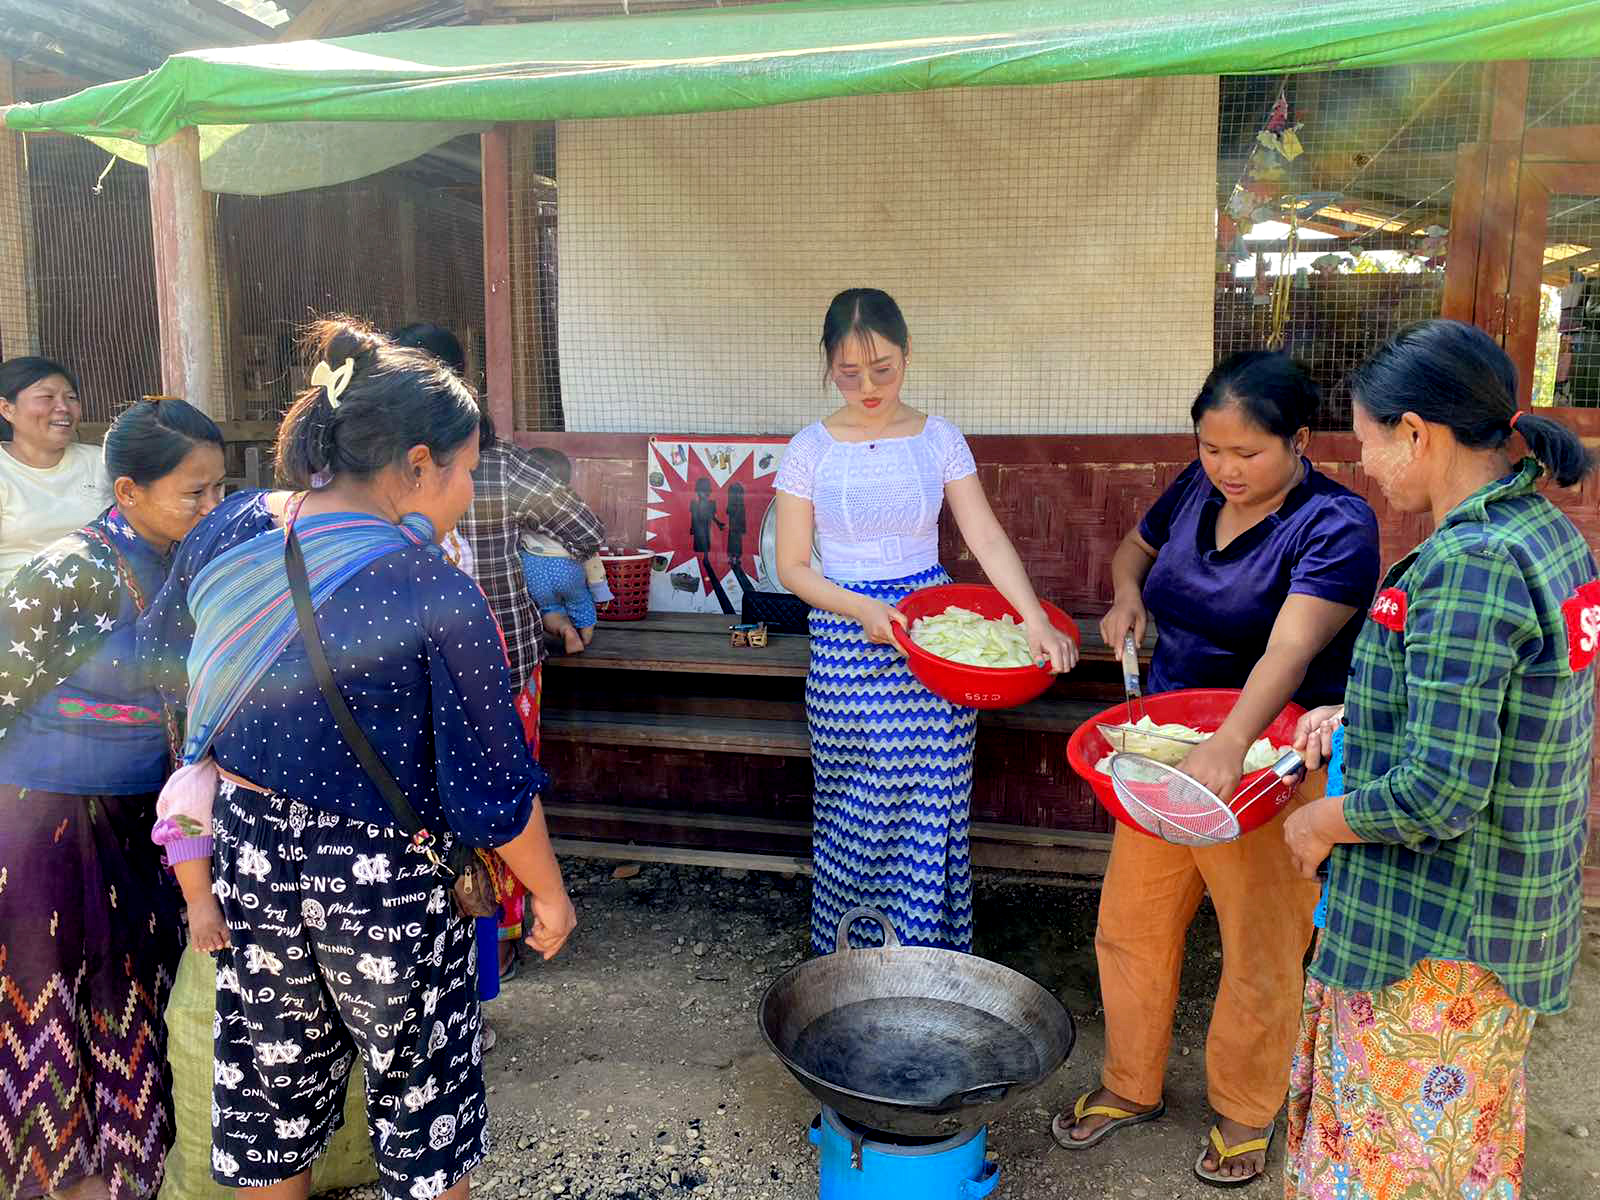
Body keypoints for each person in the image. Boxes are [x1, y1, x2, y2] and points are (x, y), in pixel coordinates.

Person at [143, 319, 577, 1200]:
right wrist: (551, 893)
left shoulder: (228, 528)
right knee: (423, 1110)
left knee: (271, 1105)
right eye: (464, 470)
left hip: (250, 857)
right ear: (417, 464)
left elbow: (161, 655)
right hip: (386, 879)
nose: (467, 491)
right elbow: (492, 791)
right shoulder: (434, 587)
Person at [1281, 319, 1598, 1200]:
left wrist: (1319, 822)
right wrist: (1365, 713)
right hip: (1507, 915)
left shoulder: (1474, 561)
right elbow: (1507, 708)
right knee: (1456, 1152)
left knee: (1396, 1166)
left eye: (1368, 442)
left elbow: (1443, 788)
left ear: (1417, 433)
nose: (1365, 465)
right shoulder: (1543, 532)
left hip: (1439, 938)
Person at [1054, 351, 1381, 1188]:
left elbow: (1290, 649)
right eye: (1210, 448)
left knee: (1262, 944)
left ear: (1300, 440)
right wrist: (1126, 595)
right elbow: (1135, 549)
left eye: (1247, 452)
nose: (1226, 468)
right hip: (1167, 747)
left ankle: (1246, 1107)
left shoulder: (1336, 523)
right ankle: (1130, 1084)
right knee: (1131, 925)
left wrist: (1230, 746)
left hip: (1269, 765)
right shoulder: (1196, 488)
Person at [774, 287, 1077, 957]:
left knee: (931, 799)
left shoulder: (939, 438)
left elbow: (986, 537)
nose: (868, 386)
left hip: (934, 637)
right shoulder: (809, 448)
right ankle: (850, 958)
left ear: (908, 354)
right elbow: (791, 566)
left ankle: (927, 955)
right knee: (856, 799)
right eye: (849, 372)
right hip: (846, 635)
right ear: (827, 364)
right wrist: (862, 608)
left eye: (883, 368)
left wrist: (1032, 619)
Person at [0, 396, 225, 1200]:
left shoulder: (195, 561)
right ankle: (66, 1175)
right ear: (128, 491)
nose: (211, 506)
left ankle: (139, 1163)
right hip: (46, 817)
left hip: (147, 814)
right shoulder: (69, 571)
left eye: (220, 488)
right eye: (193, 492)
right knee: (55, 990)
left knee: (134, 985)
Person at [0, 356, 112, 587]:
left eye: (71, 398)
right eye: (46, 397)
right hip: (17, 602)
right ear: (7, 409)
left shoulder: (102, 463)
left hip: (104, 598)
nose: (63, 407)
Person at [518, 446, 613, 655]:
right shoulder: (572, 514)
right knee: (580, 601)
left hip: (533, 571)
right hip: (567, 569)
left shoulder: (520, 507)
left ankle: (566, 630)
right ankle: (585, 638)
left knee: (549, 608)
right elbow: (590, 552)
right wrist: (599, 588)